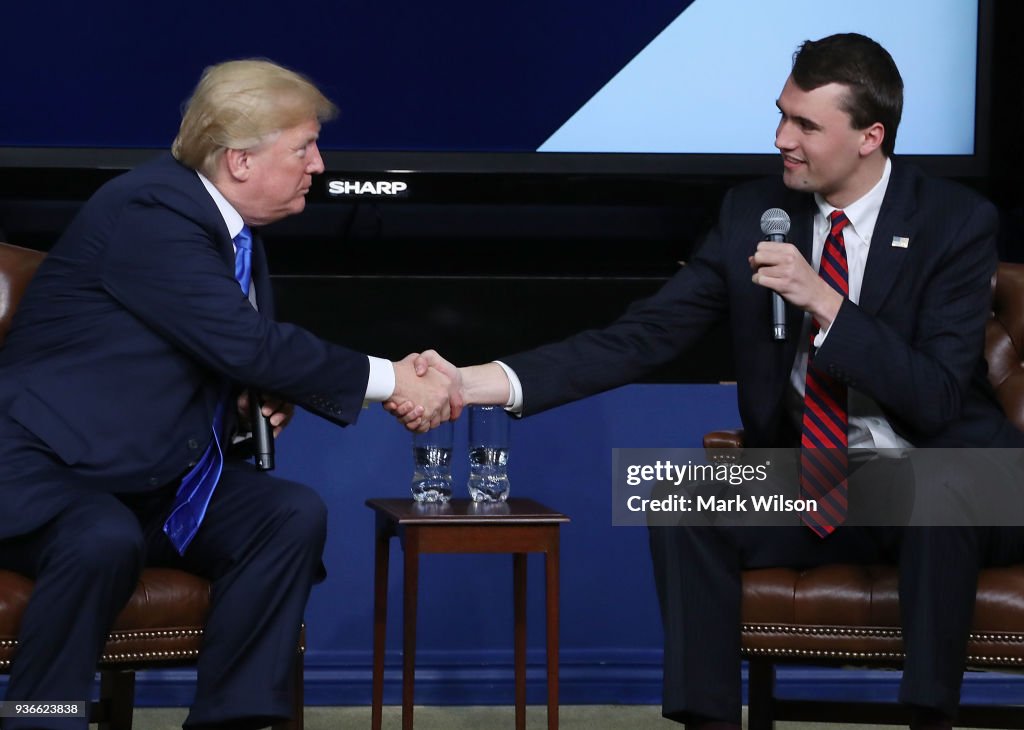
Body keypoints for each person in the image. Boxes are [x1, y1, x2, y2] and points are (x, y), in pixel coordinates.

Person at [389, 33, 1024, 730]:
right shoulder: (750, 214)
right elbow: (638, 337)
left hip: (956, 481)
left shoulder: (954, 222)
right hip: (821, 481)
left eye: (806, 124)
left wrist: (827, 303)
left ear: (870, 135)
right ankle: (707, 721)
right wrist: (470, 383)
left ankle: (927, 719)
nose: (782, 137)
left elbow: (935, 396)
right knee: (679, 495)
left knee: (938, 487)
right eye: (781, 115)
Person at [0, 59, 452, 730]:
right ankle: (43, 719)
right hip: (47, 474)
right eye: (303, 147)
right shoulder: (150, 211)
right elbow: (246, 343)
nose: (319, 166)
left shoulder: (232, 234)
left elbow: (211, 352)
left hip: (147, 477)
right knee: (101, 535)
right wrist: (394, 379)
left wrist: (251, 398)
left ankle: (233, 720)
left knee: (286, 514)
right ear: (239, 160)